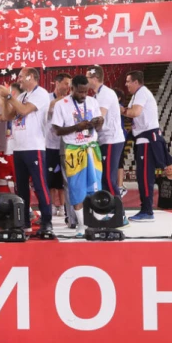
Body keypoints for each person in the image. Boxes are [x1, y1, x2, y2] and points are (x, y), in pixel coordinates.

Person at [0, 68, 53, 235]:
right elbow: (8, 116)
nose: (19, 79)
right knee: (21, 188)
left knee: (39, 185)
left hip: (34, 146)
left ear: (31, 77)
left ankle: (47, 221)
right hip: (19, 147)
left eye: (22, 76)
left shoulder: (40, 93)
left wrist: (9, 96)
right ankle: (24, 222)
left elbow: (23, 111)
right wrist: (4, 99)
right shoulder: (22, 96)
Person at [51, 75, 105, 236]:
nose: (83, 95)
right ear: (72, 88)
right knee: (76, 189)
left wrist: (98, 123)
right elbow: (57, 130)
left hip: (92, 148)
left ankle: (96, 223)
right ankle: (81, 225)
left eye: (86, 92)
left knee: (95, 187)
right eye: (80, 92)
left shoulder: (93, 102)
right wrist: (77, 127)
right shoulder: (61, 104)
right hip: (74, 150)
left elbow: (100, 128)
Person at [121, 71, 172, 222]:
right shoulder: (137, 95)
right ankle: (146, 209)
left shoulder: (142, 93)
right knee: (142, 176)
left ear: (136, 82)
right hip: (142, 139)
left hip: (147, 140)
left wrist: (120, 109)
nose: (126, 84)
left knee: (145, 176)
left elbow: (135, 112)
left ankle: (147, 211)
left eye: (128, 81)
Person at [86, 66, 126, 199]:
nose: (86, 80)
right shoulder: (97, 95)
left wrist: (84, 128)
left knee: (108, 178)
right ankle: (109, 206)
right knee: (104, 177)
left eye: (87, 77)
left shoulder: (105, 93)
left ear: (95, 78)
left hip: (111, 139)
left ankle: (118, 209)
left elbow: (99, 117)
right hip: (105, 139)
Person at [46, 73, 71, 219]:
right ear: (57, 83)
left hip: (64, 145)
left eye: (69, 84)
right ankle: (50, 206)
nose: (68, 87)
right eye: (66, 83)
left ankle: (62, 206)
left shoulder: (69, 100)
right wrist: (58, 101)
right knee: (49, 179)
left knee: (63, 179)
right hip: (49, 144)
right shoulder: (47, 98)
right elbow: (46, 110)